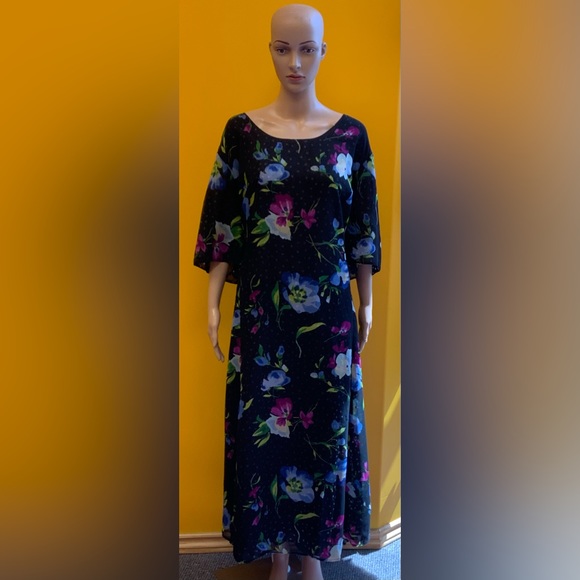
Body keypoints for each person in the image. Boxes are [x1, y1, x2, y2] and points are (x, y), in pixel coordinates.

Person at [193, 5, 381, 580]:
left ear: (324, 51)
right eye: (282, 48)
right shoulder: (241, 133)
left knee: (324, 429)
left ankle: (314, 554)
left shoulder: (351, 136)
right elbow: (223, 223)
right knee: (266, 434)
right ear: (270, 50)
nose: (294, 62)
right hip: (263, 315)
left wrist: (367, 303)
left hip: (330, 316)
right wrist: (213, 301)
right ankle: (278, 556)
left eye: (306, 49)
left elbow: (362, 230)